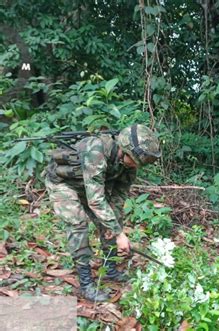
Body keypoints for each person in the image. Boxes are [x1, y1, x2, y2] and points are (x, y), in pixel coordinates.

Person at [45, 124, 160, 302]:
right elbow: (96, 200)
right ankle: (85, 284)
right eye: (134, 160)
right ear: (124, 149)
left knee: (112, 220)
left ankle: (109, 268)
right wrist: (120, 235)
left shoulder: (129, 165)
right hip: (64, 184)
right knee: (78, 224)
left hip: (90, 186)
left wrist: (116, 228)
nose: (136, 166)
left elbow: (118, 198)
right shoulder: (96, 150)